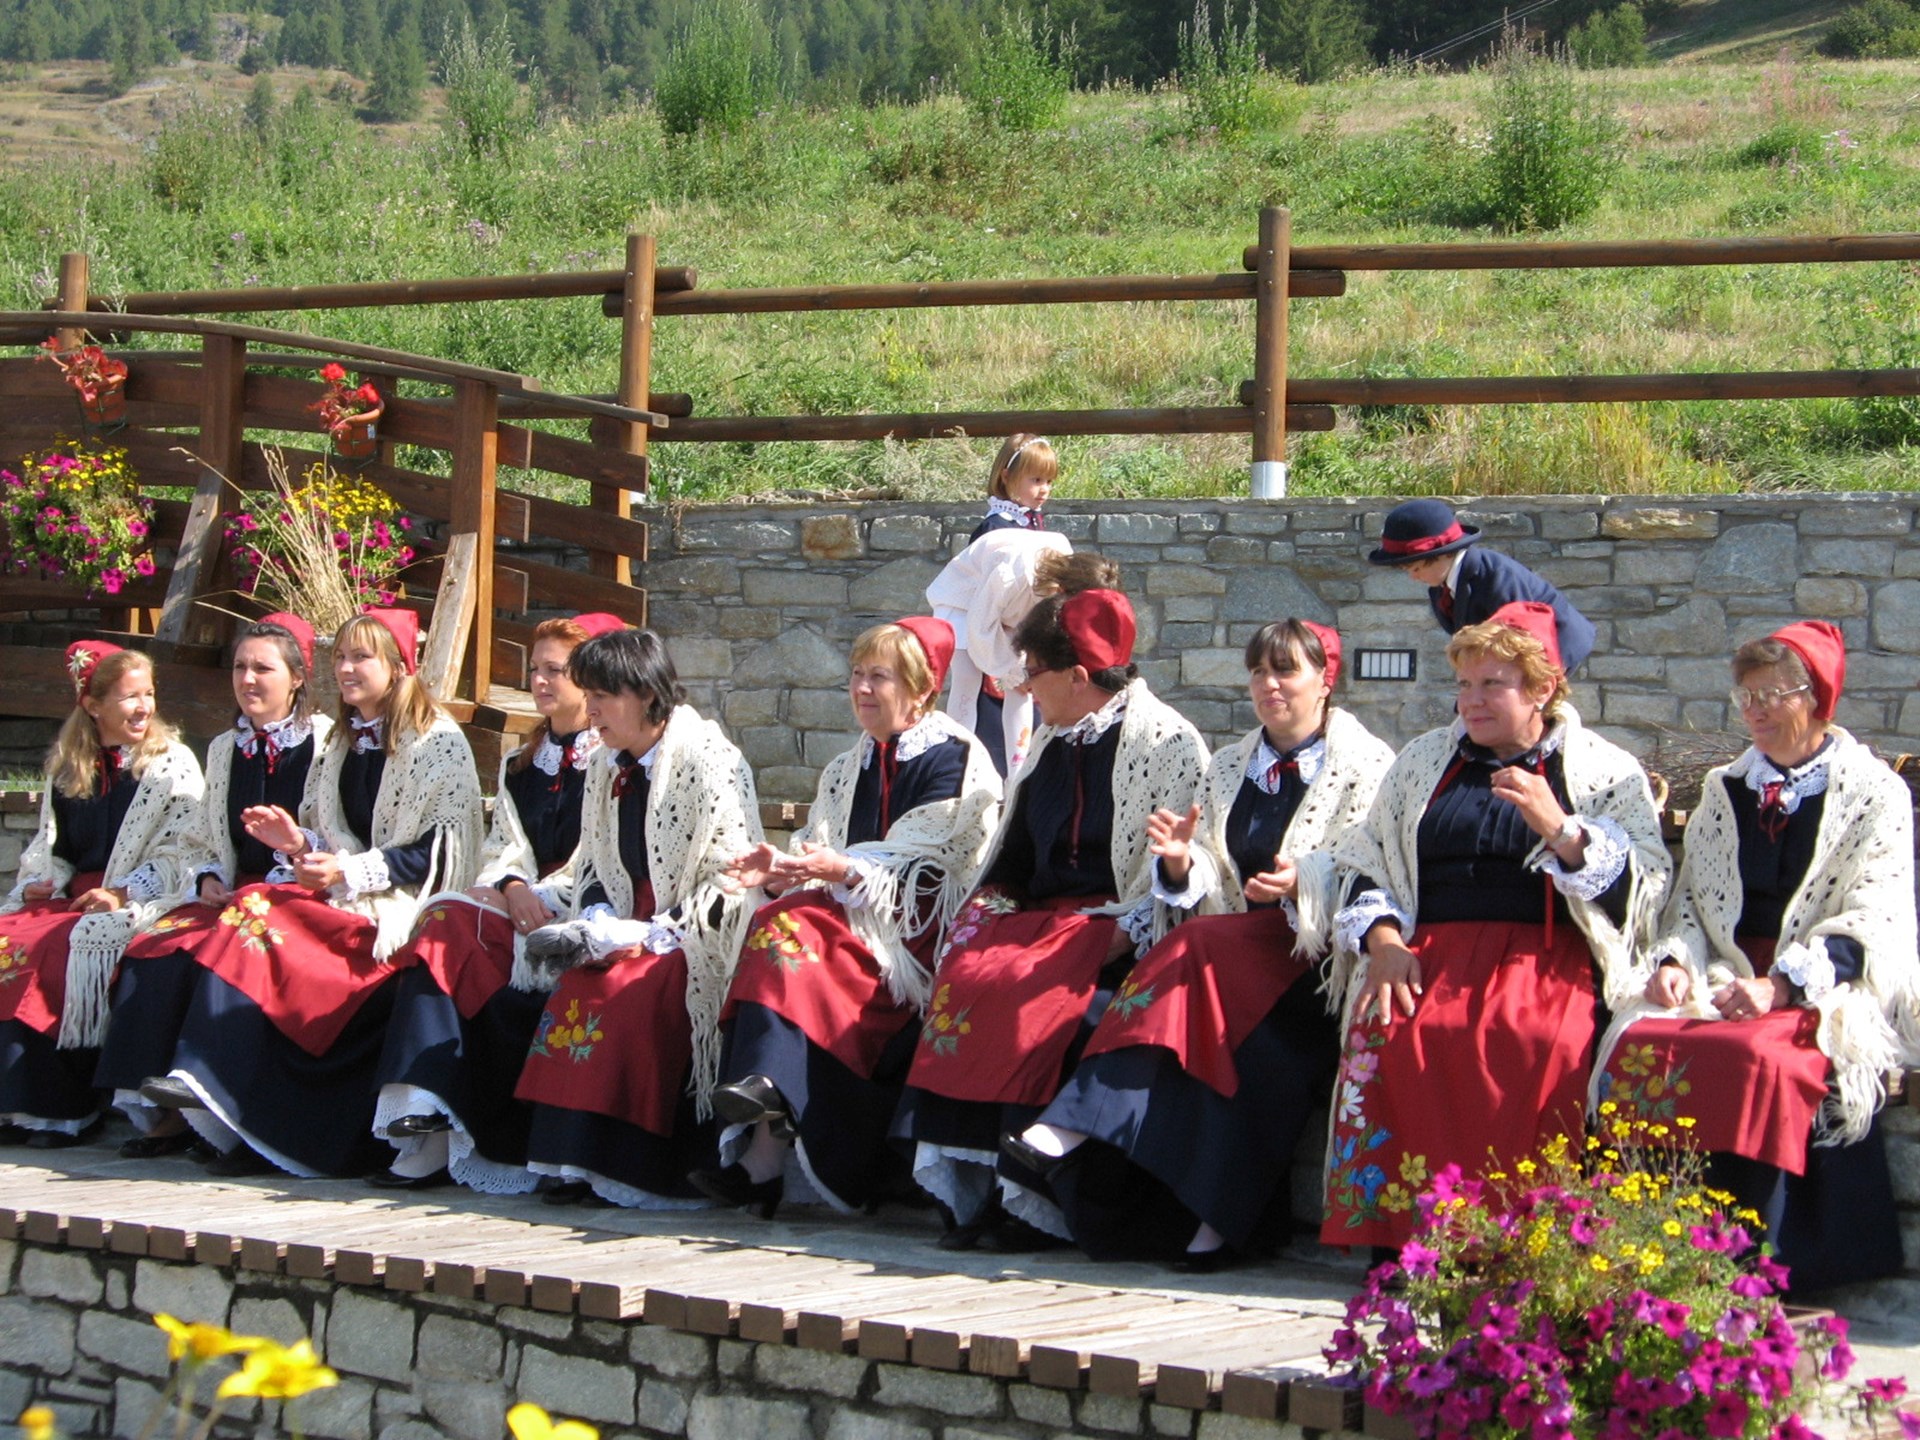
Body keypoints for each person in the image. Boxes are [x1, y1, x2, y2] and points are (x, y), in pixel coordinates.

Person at [1009, 620, 1395, 1269]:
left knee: (1197, 951)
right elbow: (1213, 869)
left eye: (1285, 671)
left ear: (1326, 680)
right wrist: (1182, 863)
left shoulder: (1369, 766)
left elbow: (1372, 865)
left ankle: (1072, 1122)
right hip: (1231, 961)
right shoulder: (1230, 765)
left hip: (1317, 964)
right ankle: (1213, 1224)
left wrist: (1306, 879)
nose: (1268, 686)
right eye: (1258, 672)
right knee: (1221, 1040)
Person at [1311, 602, 1667, 1248]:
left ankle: (1522, 1241)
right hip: (1426, 955)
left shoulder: (1602, 769)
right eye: (1464, 684)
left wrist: (1561, 830)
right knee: (1386, 1028)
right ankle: (1403, 1239)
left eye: (1492, 685)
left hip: (1546, 957)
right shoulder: (1423, 761)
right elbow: (1367, 857)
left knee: (1538, 1041)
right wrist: (1384, 942)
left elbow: (1647, 888)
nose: (1471, 701)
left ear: (1543, 689)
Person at [1595, 620, 1920, 1292]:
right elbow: (1692, 905)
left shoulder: (1872, 792)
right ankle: (1639, 1241)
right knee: (1641, 1041)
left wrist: (1782, 986)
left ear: (1818, 698)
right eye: (1747, 697)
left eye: (1774, 695)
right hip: (1726, 971)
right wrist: (1674, 962)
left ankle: (1756, 1261)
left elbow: (1875, 916)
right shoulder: (1726, 790)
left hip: (1824, 983)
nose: (1757, 711)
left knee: (1756, 1056)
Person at [893, 584, 1209, 1251]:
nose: (1023, 686)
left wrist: (1121, 929)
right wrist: (987, 909)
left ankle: (1031, 1200)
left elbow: (1182, 872)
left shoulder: (1169, 744)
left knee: (1023, 991)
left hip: (1113, 928)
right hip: (1040, 923)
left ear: (1078, 676)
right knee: (969, 973)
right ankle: (976, 1194)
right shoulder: (1049, 743)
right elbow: (1013, 856)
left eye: (1033, 671)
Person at [131, 609, 483, 1178]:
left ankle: (212, 1078)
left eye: (361, 657)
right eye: (340, 657)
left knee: (258, 913)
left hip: (402, 906)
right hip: (347, 896)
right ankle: (228, 1100)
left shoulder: (437, 741)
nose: (345, 669)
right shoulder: (343, 742)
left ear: (398, 667)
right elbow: (329, 834)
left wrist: (348, 870)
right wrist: (298, 842)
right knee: (252, 913)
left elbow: (442, 851)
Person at [693, 617, 1001, 1217]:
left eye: (879, 677)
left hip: (912, 935)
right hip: (842, 921)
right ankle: (764, 1117)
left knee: (790, 928)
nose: (862, 688)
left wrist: (838, 871)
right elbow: (819, 847)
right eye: (857, 675)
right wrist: (782, 870)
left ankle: (765, 1128)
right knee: (777, 920)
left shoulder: (957, 758)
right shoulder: (845, 767)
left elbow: (930, 869)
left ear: (922, 689)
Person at [369, 612, 628, 1191]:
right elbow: (503, 848)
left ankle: (438, 1114)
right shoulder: (520, 764)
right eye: (535, 669)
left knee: (451, 927)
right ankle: (425, 1110)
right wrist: (512, 887)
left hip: (581, 911)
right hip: (519, 906)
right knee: (442, 919)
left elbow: (603, 856)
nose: (540, 681)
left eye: (556, 670)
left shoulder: (613, 762)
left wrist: (538, 894)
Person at [514, 628, 763, 1208]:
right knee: (576, 984)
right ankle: (570, 1157)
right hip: (628, 924)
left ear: (647, 695)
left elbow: (730, 873)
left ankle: (626, 1166)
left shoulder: (709, 758)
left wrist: (653, 931)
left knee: (630, 991)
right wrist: (599, 917)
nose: (591, 710)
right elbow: (594, 861)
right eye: (588, 695)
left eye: (602, 696)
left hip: (695, 930)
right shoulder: (606, 764)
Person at [99, 615, 329, 1159]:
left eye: (263, 669)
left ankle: (223, 1107)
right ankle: (165, 1109)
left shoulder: (324, 744)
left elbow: (336, 830)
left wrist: (292, 856)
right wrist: (207, 876)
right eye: (240, 667)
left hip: (300, 888)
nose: (247, 679)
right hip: (234, 892)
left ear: (297, 678)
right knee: (158, 945)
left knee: (236, 944)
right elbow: (204, 834)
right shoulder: (226, 747)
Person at [0, 643, 202, 1147]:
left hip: (140, 900)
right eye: (129, 697)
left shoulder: (170, 764)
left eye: (148, 694)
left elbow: (183, 851)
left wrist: (123, 892)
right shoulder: (71, 767)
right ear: (93, 706)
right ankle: (13, 1101)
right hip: (74, 897)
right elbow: (55, 849)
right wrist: (42, 881)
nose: (144, 707)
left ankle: (61, 1110)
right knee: (9, 938)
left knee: (57, 948)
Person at [1368, 498, 1596, 674]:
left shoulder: (1498, 581)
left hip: (1553, 653)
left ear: (1443, 555)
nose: (1413, 577)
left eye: (1416, 568)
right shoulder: (1441, 588)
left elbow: (1524, 650)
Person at [926, 528, 1073, 778]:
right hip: (963, 601)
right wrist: (1009, 670)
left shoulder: (1064, 564)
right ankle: (959, 767)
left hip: (1008, 610)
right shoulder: (1009, 574)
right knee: (967, 679)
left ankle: (1018, 773)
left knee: (1020, 689)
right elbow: (981, 626)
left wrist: (1022, 671)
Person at [971, 433, 1056, 542]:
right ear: (1007, 477)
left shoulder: (1033, 520)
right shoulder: (994, 528)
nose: (1045, 490)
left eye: (1048, 481)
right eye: (1037, 480)